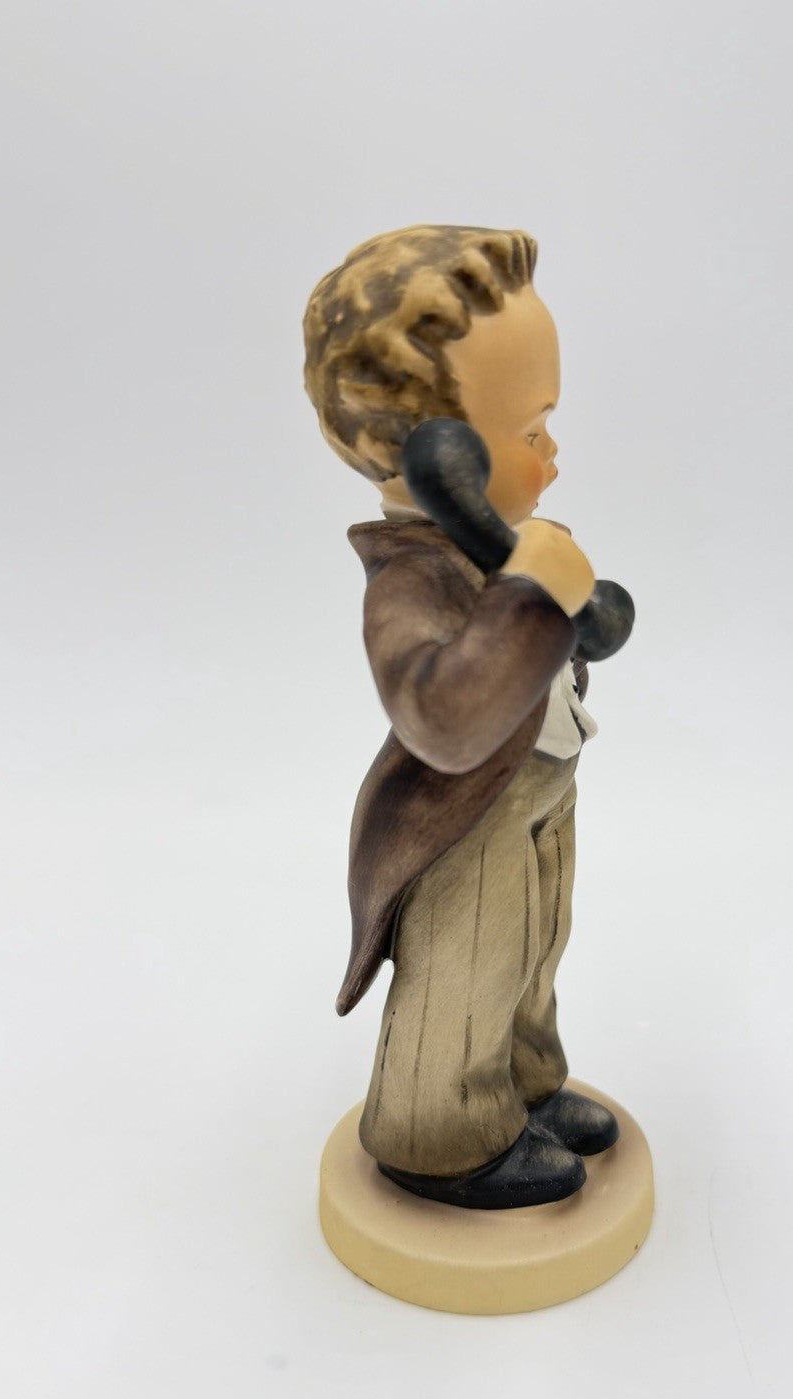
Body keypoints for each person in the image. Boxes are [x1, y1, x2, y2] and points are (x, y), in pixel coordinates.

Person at [303, 225, 620, 1208]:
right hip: (464, 820)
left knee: (533, 948)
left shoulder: (509, 546)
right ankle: (438, 1131)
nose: (553, 455)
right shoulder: (409, 584)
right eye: (531, 430)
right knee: (470, 961)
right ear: (438, 459)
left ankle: (522, 1085)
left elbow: (588, 631)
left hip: (540, 788)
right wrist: (529, 591)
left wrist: (551, 587)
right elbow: (443, 718)